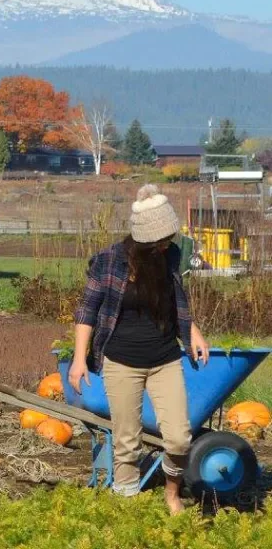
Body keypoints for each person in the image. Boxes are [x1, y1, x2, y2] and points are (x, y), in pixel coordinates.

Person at [68, 183, 210, 515]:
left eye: (168, 239)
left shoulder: (171, 256)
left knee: (178, 438)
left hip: (165, 359)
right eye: (161, 241)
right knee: (127, 442)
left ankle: (172, 494)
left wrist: (194, 331)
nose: (166, 245)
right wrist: (78, 360)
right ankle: (127, 508)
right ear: (144, 240)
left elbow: (177, 301)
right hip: (122, 361)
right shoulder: (108, 261)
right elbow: (87, 310)